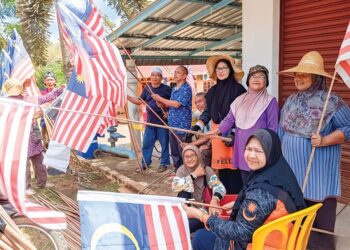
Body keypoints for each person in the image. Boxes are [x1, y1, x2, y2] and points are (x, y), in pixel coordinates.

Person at [184, 129, 306, 250]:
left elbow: (241, 231)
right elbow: (266, 205)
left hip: (261, 245)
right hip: (281, 239)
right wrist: (240, 202)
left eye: (259, 151)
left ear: (270, 153)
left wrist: (200, 215)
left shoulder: (261, 192)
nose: (252, 155)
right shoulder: (279, 174)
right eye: (249, 149)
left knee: (200, 237)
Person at [278, 51, 350, 250]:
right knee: (294, 220)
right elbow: (280, 130)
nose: (298, 78)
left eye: (304, 74)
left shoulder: (332, 101)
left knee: (319, 224)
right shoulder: (291, 100)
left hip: (318, 175)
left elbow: (348, 127)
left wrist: (326, 139)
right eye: (296, 74)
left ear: (317, 77)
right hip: (292, 173)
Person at [208, 65, 279, 184]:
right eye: (253, 76)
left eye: (261, 76)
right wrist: (215, 132)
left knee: (260, 181)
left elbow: (273, 128)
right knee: (245, 181)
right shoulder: (239, 100)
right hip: (242, 148)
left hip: (260, 150)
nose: (256, 79)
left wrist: (269, 150)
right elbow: (229, 120)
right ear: (248, 80)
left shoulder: (270, 101)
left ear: (266, 82)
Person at [188, 55, 246, 194]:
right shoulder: (212, 91)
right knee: (223, 168)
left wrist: (233, 133)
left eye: (224, 68)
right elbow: (208, 112)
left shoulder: (239, 90)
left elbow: (243, 115)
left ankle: (236, 198)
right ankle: (226, 197)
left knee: (235, 168)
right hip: (217, 133)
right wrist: (198, 126)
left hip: (235, 133)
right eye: (218, 69)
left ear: (230, 70)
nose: (221, 71)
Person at [4, 78, 65, 193]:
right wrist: (33, 116)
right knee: (23, 162)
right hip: (18, 136)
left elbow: (44, 98)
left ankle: (42, 183)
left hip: (32, 135)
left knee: (39, 160)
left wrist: (59, 90)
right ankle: (26, 187)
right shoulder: (6, 103)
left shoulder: (29, 98)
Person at [172, 145, 226, 233]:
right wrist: (194, 175)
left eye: (193, 155)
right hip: (186, 207)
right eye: (186, 157)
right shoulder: (181, 170)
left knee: (185, 227)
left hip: (202, 209)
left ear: (198, 155)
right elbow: (175, 187)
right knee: (184, 190)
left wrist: (214, 199)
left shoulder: (206, 170)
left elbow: (219, 186)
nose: (190, 159)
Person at [127, 67, 171, 172]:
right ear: (150, 77)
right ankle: (145, 163)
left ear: (161, 77)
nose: (155, 77)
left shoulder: (167, 89)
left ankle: (164, 164)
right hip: (150, 123)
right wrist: (126, 96)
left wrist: (167, 110)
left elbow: (172, 103)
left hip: (163, 123)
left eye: (157, 75)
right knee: (147, 144)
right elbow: (139, 101)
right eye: (153, 75)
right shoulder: (147, 88)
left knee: (164, 144)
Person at [152, 66, 192, 172]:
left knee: (183, 151)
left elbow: (177, 104)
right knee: (174, 151)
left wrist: (161, 99)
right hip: (172, 124)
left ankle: (186, 172)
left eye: (178, 72)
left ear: (184, 76)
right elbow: (170, 106)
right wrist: (162, 105)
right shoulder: (174, 89)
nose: (175, 74)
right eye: (175, 72)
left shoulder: (186, 88)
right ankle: (177, 171)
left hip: (182, 126)